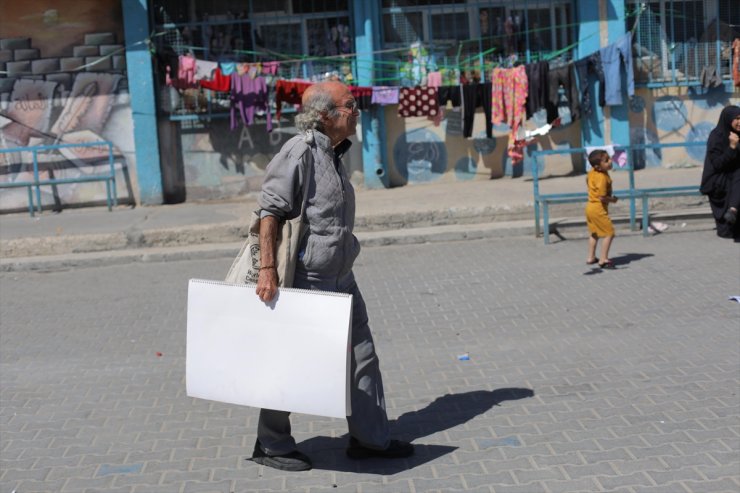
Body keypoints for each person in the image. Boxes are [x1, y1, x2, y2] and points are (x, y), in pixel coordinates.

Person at [250, 81, 414, 471]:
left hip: (342, 277)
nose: (356, 111)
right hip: (309, 280)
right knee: (293, 362)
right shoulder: (299, 152)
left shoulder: (334, 153)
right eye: (349, 105)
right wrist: (268, 270)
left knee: (362, 358)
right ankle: (271, 443)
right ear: (325, 115)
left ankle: (370, 440)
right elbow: (269, 213)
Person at [700, 105, 740, 239]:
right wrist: (732, 147)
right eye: (737, 119)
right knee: (726, 232)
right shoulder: (716, 136)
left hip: (733, 179)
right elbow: (717, 164)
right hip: (717, 181)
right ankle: (732, 210)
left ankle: (733, 210)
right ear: (728, 119)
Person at [585, 149, 619, 269]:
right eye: (606, 161)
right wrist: (613, 200)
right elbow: (602, 197)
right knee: (609, 233)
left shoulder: (592, 172)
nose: (610, 162)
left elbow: (588, 182)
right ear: (598, 167)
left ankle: (591, 257)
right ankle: (603, 260)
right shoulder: (602, 177)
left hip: (590, 207)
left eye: (609, 158)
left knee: (594, 233)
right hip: (598, 208)